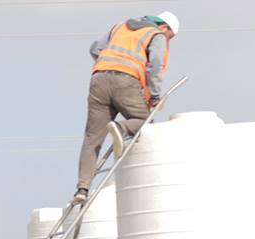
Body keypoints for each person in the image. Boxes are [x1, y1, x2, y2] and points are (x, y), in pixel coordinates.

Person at [72, 11, 180, 206]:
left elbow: (95, 48)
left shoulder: (120, 26)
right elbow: (154, 65)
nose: (168, 40)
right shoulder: (156, 34)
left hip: (98, 79)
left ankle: (82, 188)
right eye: (170, 36)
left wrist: (110, 63)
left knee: (92, 138)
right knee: (147, 124)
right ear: (165, 27)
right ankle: (121, 129)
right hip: (126, 81)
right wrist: (155, 96)